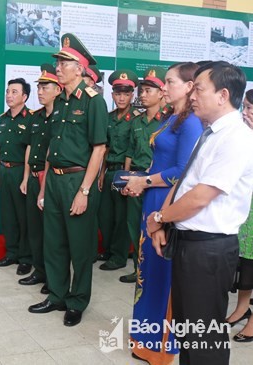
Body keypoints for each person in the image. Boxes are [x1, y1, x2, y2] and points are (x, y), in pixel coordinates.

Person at [147, 61, 253, 364]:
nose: (192, 95)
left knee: (204, 338)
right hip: (188, 243)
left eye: (199, 89)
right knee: (188, 332)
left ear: (222, 95)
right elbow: (184, 182)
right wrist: (163, 223)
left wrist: (157, 218)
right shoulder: (211, 133)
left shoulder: (237, 138)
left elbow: (200, 197)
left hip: (209, 250)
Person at [123, 62, 203, 364]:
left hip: (166, 203)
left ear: (189, 86)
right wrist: (139, 181)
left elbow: (183, 171)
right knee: (148, 272)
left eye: (169, 82)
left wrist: (142, 181)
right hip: (152, 197)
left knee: (162, 274)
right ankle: (144, 340)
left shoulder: (191, 122)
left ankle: (162, 347)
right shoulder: (173, 118)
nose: (164, 88)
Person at [28, 33, 108, 328]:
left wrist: (85, 191)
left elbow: (99, 148)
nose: (57, 67)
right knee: (55, 243)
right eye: (58, 61)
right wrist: (44, 187)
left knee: (80, 247)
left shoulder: (92, 101)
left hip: (78, 182)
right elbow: (51, 148)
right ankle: (57, 295)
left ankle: (77, 301)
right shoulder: (59, 102)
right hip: (55, 181)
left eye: (63, 62)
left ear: (80, 67)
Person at [119, 67, 168, 283]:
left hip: (156, 183)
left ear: (161, 93)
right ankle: (137, 268)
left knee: (154, 226)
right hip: (135, 179)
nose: (143, 94)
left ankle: (153, 269)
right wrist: (126, 178)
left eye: (149, 90)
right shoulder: (136, 122)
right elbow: (129, 152)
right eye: (142, 90)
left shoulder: (167, 121)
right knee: (133, 225)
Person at [18, 65, 62, 293]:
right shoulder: (35, 117)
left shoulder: (61, 118)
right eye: (39, 87)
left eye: (46, 87)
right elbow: (29, 148)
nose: (41, 91)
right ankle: (39, 270)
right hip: (34, 178)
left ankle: (52, 277)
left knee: (51, 233)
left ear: (58, 89)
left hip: (51, 179)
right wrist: (26, 177)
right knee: (34, 229)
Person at [97, 69, 139, 270]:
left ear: (132, 95)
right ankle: (108, 249)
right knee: (105, 216)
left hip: (124, 171)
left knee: (122, 217)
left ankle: (119, 256)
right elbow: (104, 148)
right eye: (118, 93)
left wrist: (127, 177)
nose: (121, 98)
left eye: (126, 94)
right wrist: (101, 173)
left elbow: (132, 148)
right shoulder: (109, 117)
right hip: (109, 171)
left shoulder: (137, 120)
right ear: (112, 94)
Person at [0, 78, 33, 276]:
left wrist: (25, 178)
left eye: (14, 92)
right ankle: (12, 253)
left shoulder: (31, 119)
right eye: (8, 91)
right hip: (5, 171)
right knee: (8, 215)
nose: (9, 95)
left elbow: (29, 152)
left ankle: (26, 258)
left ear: (24, 96)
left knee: (23, 217)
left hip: (20, 172)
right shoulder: (3, 118)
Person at [225, 89, 253, 343]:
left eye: (251, 109)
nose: (246, 113)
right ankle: (242, 308)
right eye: (244, 107)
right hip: (244, 215)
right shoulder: (240, 136)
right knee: (244, 266)